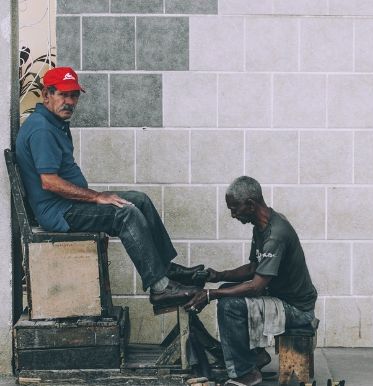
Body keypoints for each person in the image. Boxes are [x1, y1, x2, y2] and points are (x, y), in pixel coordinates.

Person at [15, 66, 202, 314]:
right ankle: (160, 288)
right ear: (46, 94)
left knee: (139, 200)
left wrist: (95, 198)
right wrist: (96, 197)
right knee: (125, 213)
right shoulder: (42, 129)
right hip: (59, 212)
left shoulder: (54, 122)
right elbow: (50, 182)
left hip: (69, 205)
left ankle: (165, 270)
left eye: (74, 95)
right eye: (63, 95)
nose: (70, 102)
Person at [185, 176, 318, 386]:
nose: (232, 214)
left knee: (229, 304)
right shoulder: (262, 226)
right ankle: (256, 356)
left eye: (235, 208)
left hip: (298, 310)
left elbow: (256, 286)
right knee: (227, 289)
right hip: (280, 298)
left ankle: (245, 373)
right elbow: (254, 269)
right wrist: (219, 275)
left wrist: (211, 295)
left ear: (250, 204)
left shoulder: (276, 234)